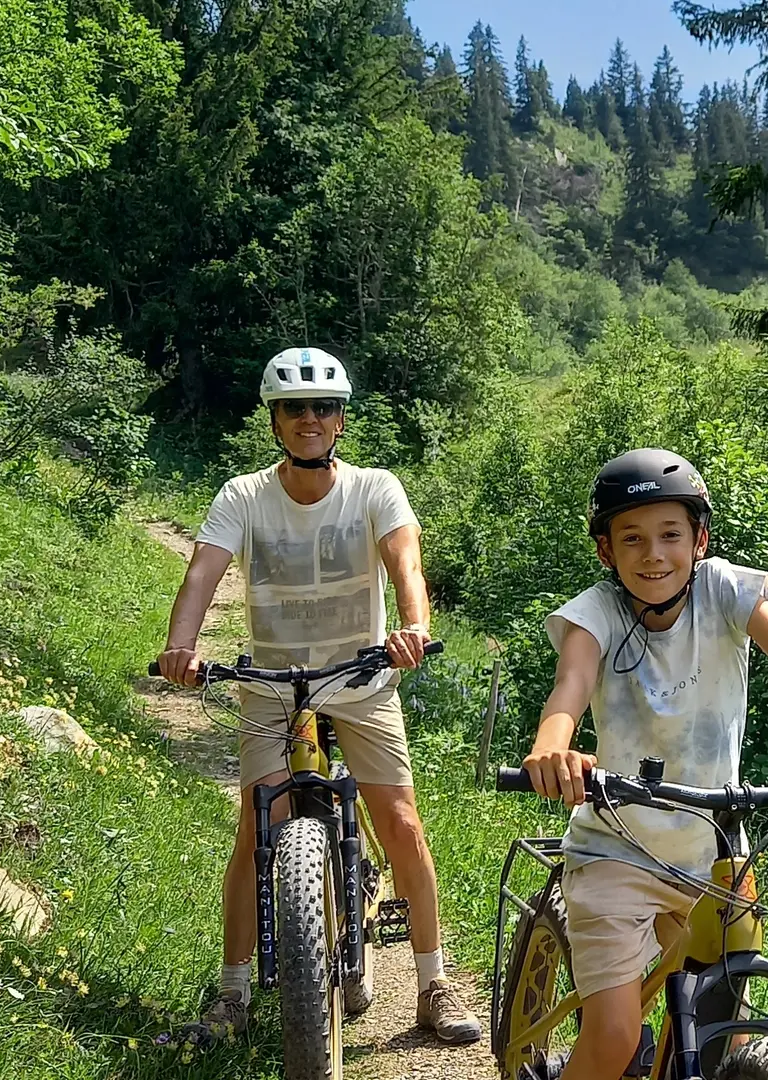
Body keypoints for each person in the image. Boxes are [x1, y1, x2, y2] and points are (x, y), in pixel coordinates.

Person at [522, 447, 768, 1080]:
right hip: (616, 850)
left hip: (718, 850)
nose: (653, 553)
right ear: (606, 551)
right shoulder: (595, 613)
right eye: (631, 538)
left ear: (700, 540)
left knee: (717, 1034)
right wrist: (553, 745)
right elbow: (570, 686)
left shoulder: (725, 592)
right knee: (613, 1039)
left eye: (670, 535)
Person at [155, 347, 481, 1046]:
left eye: (324, 407)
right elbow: (202, 574)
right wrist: (181, 647)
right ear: (275, 420)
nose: (310, 419)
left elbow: (405, 562)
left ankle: (432, 983)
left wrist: (414, 628)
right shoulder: (243, 496)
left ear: (341, 419)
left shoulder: (374, 488)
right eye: (295, 408)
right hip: (271, 682)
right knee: (256, 827)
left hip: (360, 677)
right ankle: (233, 994)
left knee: (400, 823)